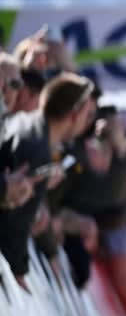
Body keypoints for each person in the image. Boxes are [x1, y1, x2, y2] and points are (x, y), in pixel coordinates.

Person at [0, 73, 95, 289]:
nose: (86, 123)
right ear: (74, 114)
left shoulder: (26, 122)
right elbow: (14, 227)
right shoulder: (38, 152)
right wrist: (20, 275)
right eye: (86, 115)